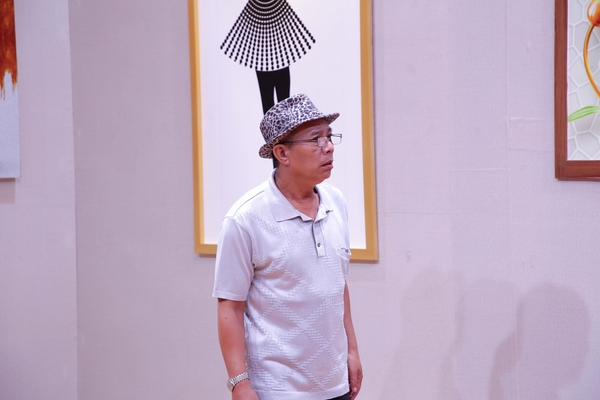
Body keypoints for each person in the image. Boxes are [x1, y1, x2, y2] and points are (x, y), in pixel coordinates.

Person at [213, 93, 363, 400]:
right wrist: (239, 383)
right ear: (282, 153)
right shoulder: (244, 219)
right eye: (316, 139)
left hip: (335, 384)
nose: (329, 147)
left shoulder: (336, 202)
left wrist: (352, 350)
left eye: (329, 136)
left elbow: (338, 284)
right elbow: (230, 305)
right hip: (277, 389)